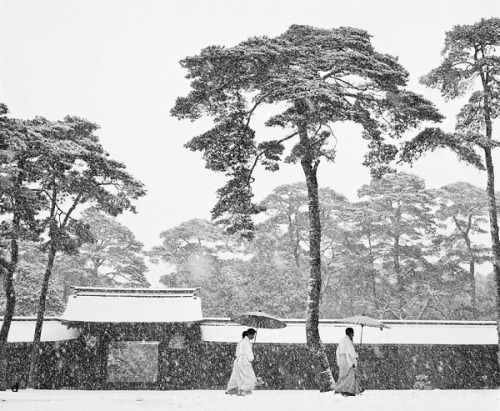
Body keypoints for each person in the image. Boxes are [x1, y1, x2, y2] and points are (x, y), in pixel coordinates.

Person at [225, 328, 257, 396]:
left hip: (238, 360)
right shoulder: (247, 342)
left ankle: (232, 388)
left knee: (237, 375)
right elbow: (249, 354)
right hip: (244, 361)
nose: (253, 336)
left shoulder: (241, 342)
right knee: (249, 376)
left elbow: (238, 352)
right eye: (252, 335)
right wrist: (251, 359)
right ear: (248, 334)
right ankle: (244, 390)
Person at [334, 327, 362, 396]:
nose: (353, 335)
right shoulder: (348, 341)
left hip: (341, 359)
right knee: (350, 375)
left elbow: (338, 351)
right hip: (347, 360)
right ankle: (348, 390)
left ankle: (339, 389)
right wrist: (356, 356)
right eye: (352, 334)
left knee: (342, 376)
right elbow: (351, 352)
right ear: (349, 333)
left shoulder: (342, 340)